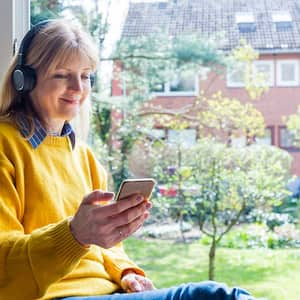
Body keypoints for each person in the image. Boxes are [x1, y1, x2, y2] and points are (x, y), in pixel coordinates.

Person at [0, 19, 254, 300]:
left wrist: (127, 272)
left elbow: (107, 249)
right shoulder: (4, 145)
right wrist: (74, 235)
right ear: (25, 79)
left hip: (105, 293)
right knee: (213, 296)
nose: (78, 88)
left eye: (85, 76)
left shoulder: (84, 157)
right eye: (62, 74)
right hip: (49, 296)